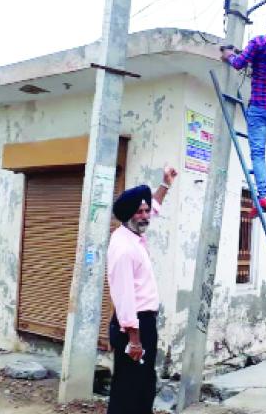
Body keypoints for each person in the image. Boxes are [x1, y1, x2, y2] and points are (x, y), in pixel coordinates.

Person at [106, 166, 178, 414]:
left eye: (146, 210)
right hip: (133, 327)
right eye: (140, 211)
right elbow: (125, 298)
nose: (146, 215)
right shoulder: (124, 248)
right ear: (128, 215)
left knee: (142, 383)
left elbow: (154, 206)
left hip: (142, 324)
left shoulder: (132, 232)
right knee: (131, 388)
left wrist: (165, 185)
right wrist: (134, 341)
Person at [221, 9, 266, 215]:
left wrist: (228, 55)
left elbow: (238, 63)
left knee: (258, 153)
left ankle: (263, 196)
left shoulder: (259, 42)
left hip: (261, 108)